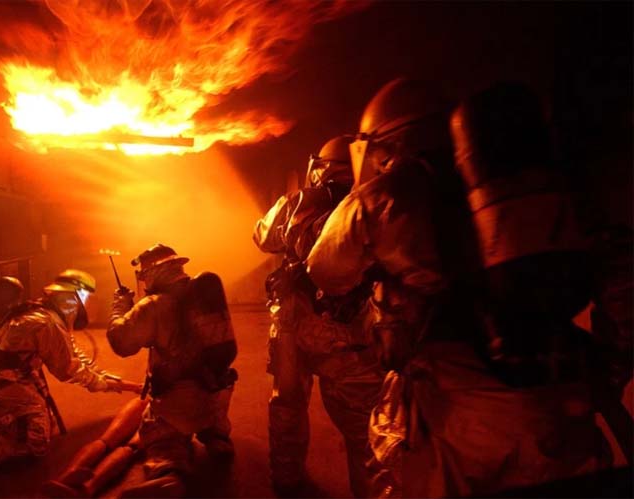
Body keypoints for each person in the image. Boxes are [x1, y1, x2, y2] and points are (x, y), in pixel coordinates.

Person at [307, 78, 610, 498]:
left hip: (456, 405)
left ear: (384, 145)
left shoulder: (386, 194)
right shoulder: (531, 182)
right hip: (558, 391)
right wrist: (610, 369)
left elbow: (325, 270)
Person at [252, 136, 383, 497]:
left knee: (287, 406)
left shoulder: (297, 202)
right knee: (363, 429)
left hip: (292, 326)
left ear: (319, 168)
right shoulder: (370, 205)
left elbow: (261, 237)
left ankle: (286, 480)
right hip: (351, 333)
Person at [0, 269, 138, 477]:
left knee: (36, 420)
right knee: (34, 441)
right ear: (73, 297)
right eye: (86, 297)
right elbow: (68, 369)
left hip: (0, 376)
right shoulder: (47, 323)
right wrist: (108, 384)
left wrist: (117, 382)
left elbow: (72, 354)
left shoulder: (44, 313)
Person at [107, 244, 237, 495]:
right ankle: (217, 437)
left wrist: (120, 307)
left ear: (155, 273)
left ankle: (169, 476)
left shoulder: (153, 305)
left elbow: (121, 342)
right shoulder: (204, 295)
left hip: (179, 401)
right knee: (207, 408)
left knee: (158, 436)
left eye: (145, 275)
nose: (144, 281)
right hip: (218, 391)